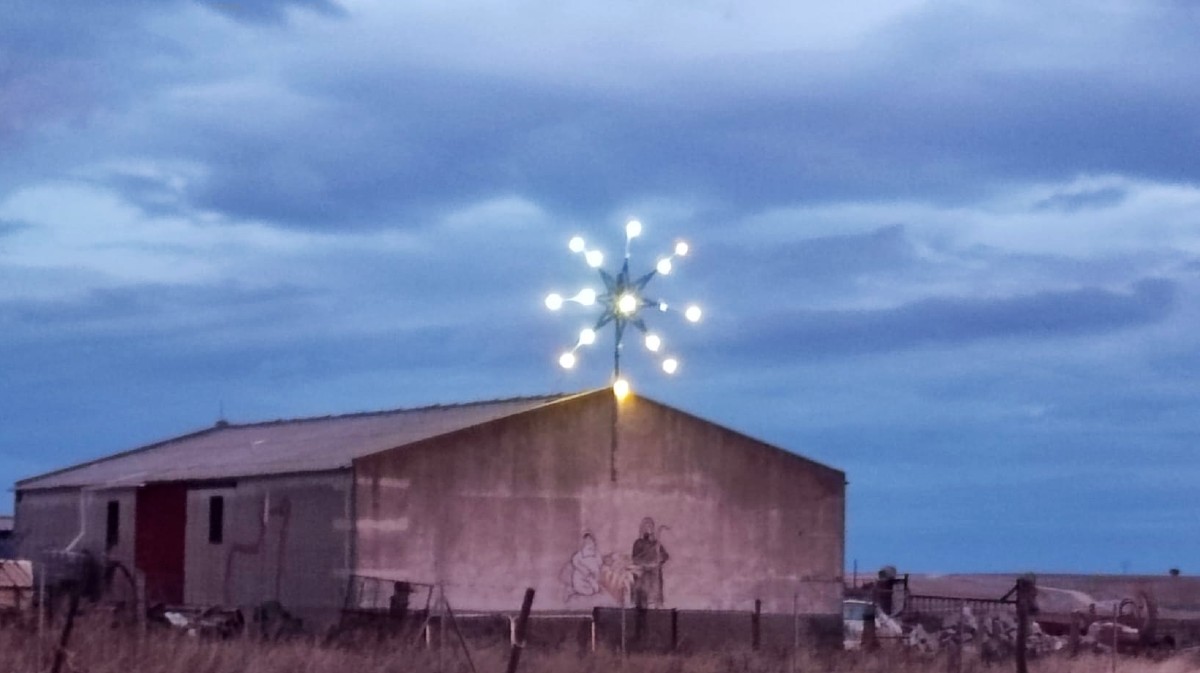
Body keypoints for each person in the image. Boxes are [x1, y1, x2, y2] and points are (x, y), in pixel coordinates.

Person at [630, 517, 668, 608]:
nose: (648, 528)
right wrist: (646, 564)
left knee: (655, 594)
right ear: (642, 528)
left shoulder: (656, 543)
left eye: (650, 526)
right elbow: (635, 558)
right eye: (646, 526)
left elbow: (665, 556)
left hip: (654, 572)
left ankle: (656, 605)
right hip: (643, 572)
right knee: (642, 596)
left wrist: (660, 557)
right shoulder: (638, 543)